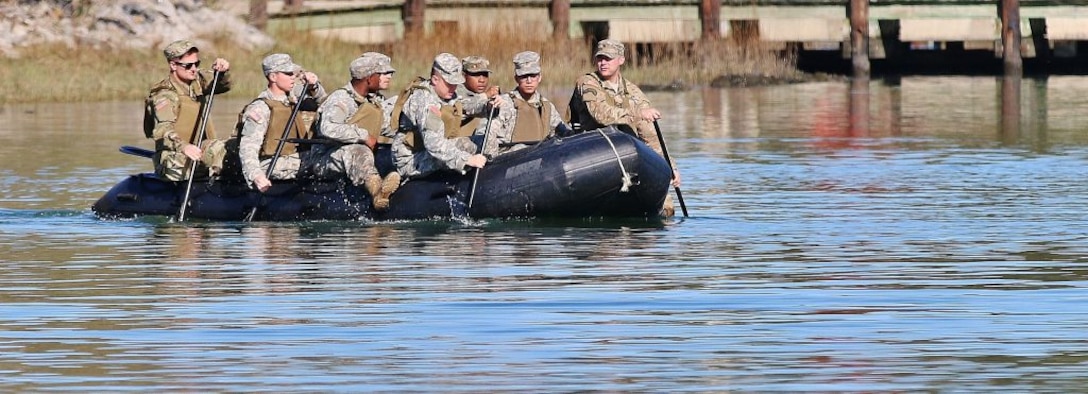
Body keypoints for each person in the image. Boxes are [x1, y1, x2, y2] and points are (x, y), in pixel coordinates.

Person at [567, 39, 682, 216]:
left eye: (608, 58)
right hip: (591, 151)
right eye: (600, 58)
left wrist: (670, 167)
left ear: (621, 60)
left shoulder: (633, 91)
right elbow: (600, 114)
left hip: (624, 152)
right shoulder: (587, 82)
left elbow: (650, 135)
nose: (603, 63)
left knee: (665, 203)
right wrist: (637, 113)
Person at [309, 52, 400, 211]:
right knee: (357, 150)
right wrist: (363, 136)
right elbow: (328, 128)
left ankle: (388, 186)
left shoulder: (373, 100)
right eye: (383, 73)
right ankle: (377, 192)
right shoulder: (341, 99)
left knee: (390, 151)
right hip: (326, 158)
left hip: (359, 157)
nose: (389, 76)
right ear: (369, 78)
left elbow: (386, 126)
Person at [391, 52, 499, 180]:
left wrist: (489, 106)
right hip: (412, 158)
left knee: (487, 141)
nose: (453, 88)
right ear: (435, 80)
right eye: (449, 83)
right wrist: (467, 159)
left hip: (435, 147)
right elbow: (433, 144)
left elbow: (465, 106)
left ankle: (491, 178)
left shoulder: (446, 93)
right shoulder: (425, 101)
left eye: (455, 83)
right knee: (465, 148)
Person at [234, 53, 325, 193]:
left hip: (292, 159)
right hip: (270, 164)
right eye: (288, 73)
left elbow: (324, 103)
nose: (293, 77)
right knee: (325, 159)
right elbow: (248, 148)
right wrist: (256, 176)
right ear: (273, 77)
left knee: (329, 154)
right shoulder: (260, 108)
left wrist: (314, 86)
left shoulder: (292, 98)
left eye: (293, 73)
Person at [144, 39, 231, 182]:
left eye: (196, 64)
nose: (194, 69)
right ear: (173, 65)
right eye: (188, 65)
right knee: (217, 148)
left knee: (232, 146)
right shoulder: (165, 95)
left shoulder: (197, 81)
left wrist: (221, 73)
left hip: (199, 151)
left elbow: (223, 86)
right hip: (174, 157)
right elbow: (162, 130)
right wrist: (184, 146)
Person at [487, 51, 567, 155]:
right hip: (508, 161)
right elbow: (488, 134)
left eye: (533, 76)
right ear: (516, 78)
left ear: (540, 77)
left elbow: (561, 132)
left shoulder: (547, 107)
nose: (529, 81)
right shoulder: (503, 103)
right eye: (524, 76)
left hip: (540, 160)